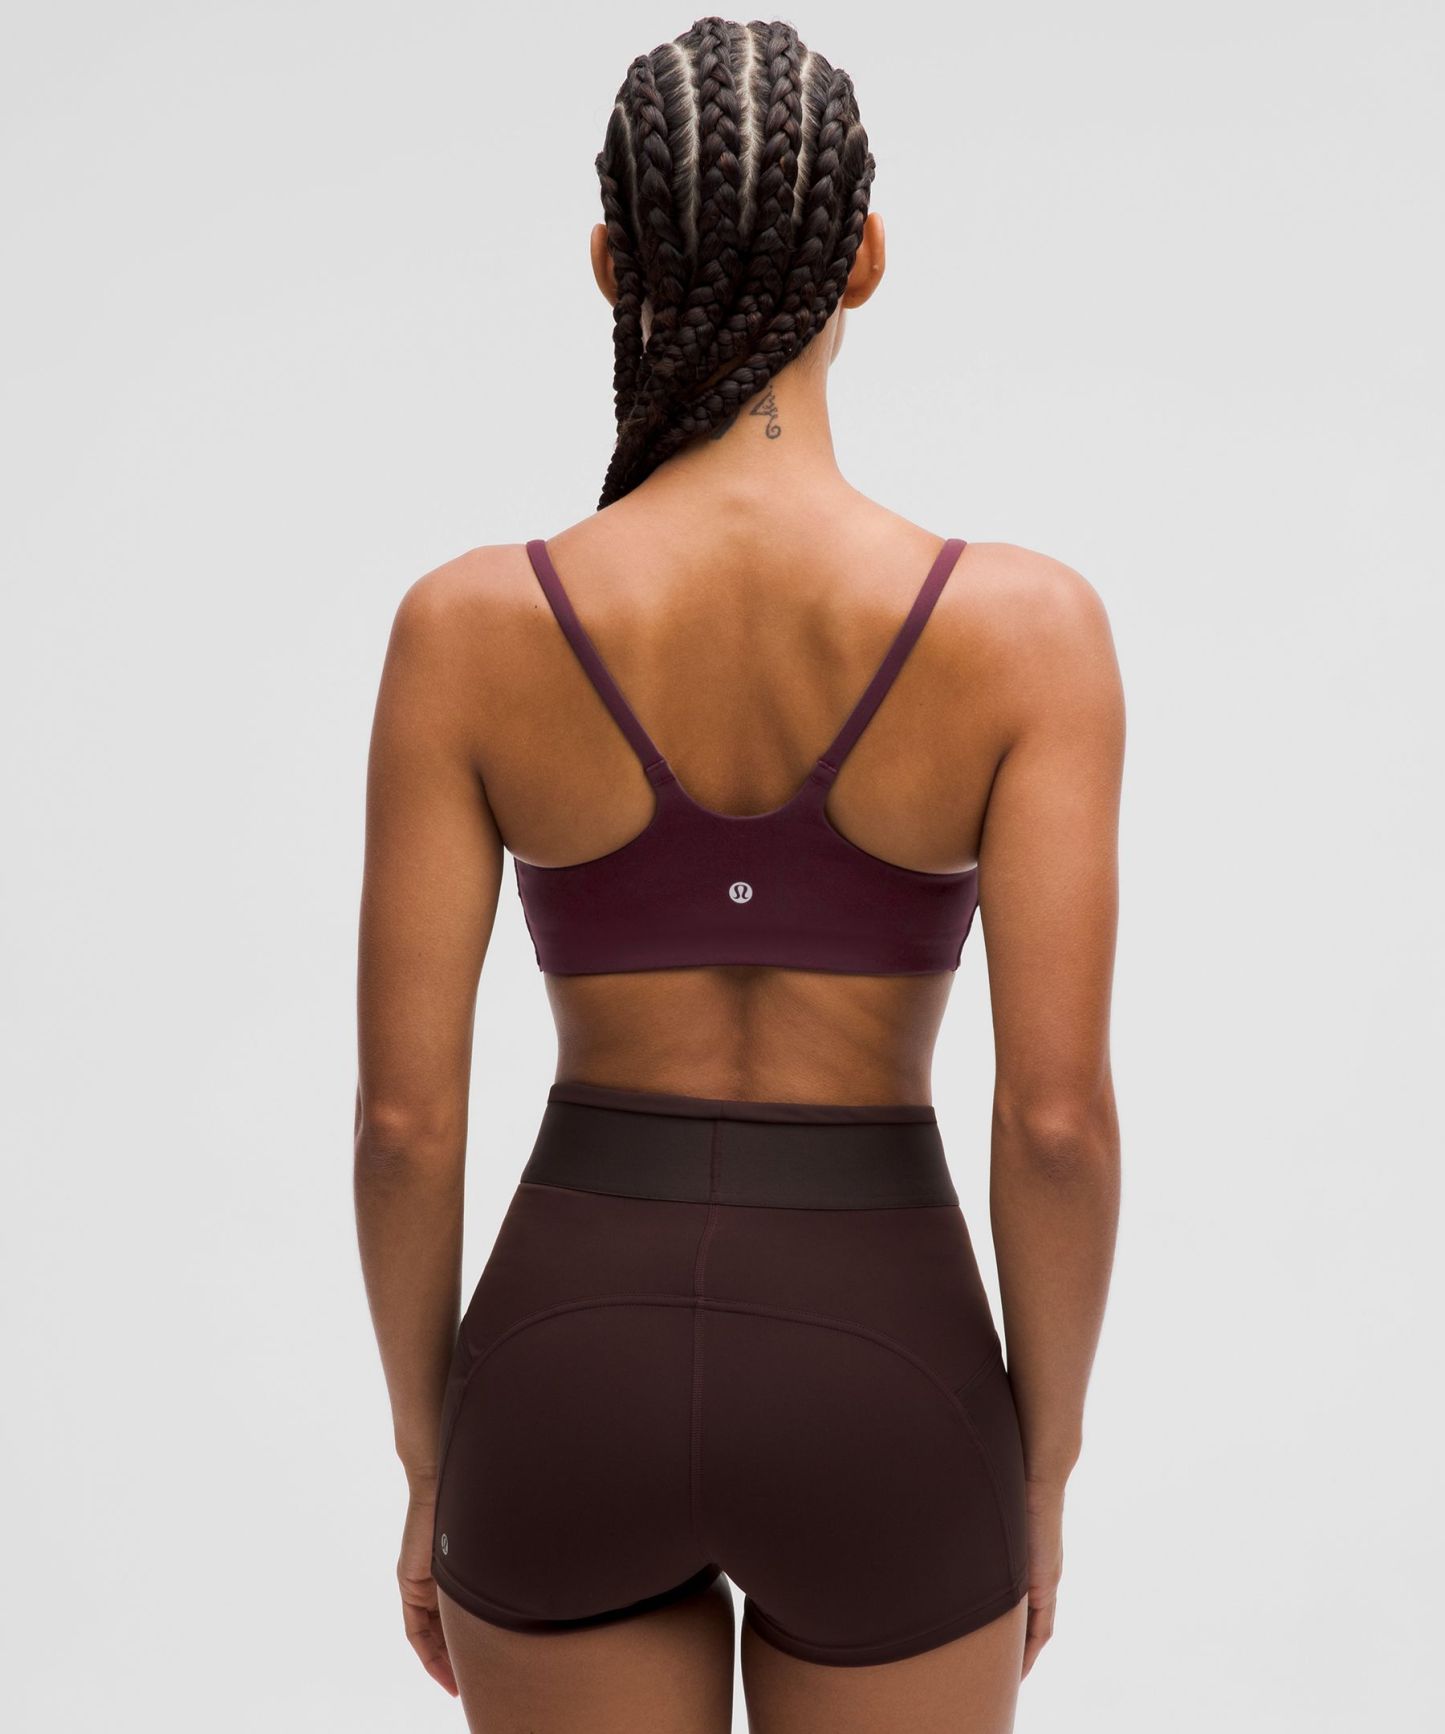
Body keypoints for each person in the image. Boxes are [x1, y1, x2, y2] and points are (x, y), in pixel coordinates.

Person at [354, 18, 1123, 1733]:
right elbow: (1056, 1122)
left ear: (608, 263)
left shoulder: (466, 629)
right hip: (887, 1373)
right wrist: (1039, 1464)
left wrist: (429, 1451)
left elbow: (402, 1124)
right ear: (867, 257)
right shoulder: (1025, 634)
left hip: (566, 1365)